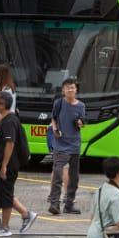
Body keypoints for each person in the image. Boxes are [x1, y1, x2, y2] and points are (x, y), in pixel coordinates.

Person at [0, 89, 36, 237]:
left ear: (3, 104)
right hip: (5, 163)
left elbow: (10, 143)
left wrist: (4, 165)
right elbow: (0, 138)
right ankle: (26, 214)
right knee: (6, 193)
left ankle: (5, 227)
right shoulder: (5, 120)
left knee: (5, 194)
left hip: (9, 164)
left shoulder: (10, 121)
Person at [46, 77, 88, 215]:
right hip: (61, 144)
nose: (70, 89)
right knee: (58, 173)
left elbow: (83, 121)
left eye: (73, 87)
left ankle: (69, 204)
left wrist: (81, 123)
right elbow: (54, 118)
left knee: (74, 177)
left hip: (75, 144)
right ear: (63, 90)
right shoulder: (59, 103)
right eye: (67, 87)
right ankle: (54, 203)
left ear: (76, 90)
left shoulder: (81, 105)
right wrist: (55, 130)